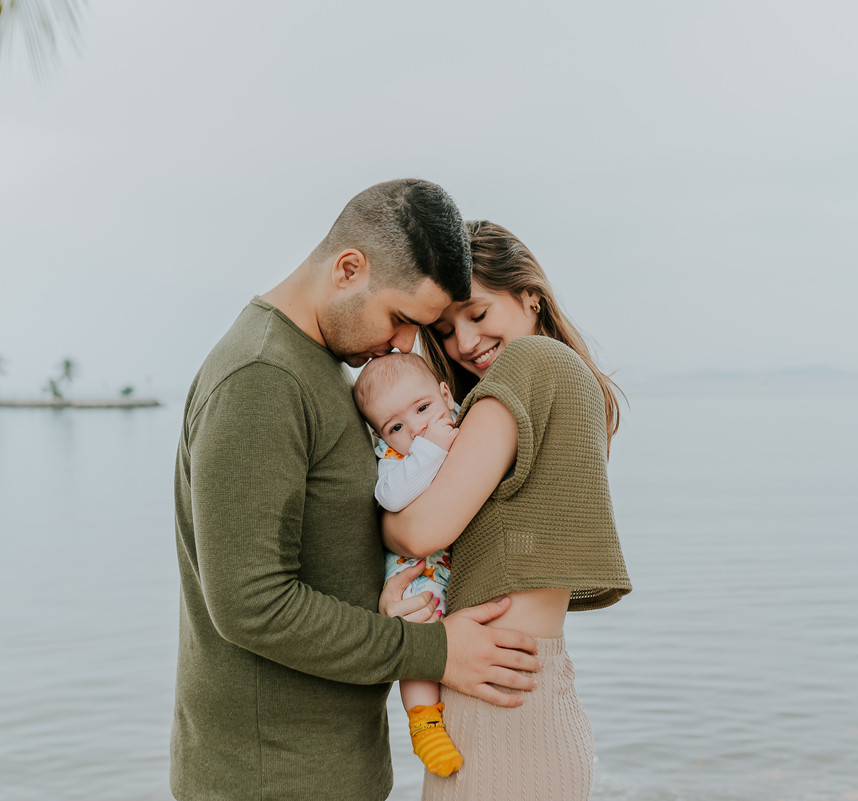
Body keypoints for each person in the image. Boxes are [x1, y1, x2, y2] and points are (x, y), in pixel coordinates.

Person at [170, 181, 543, 801]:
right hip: (271, 779)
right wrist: (431, 650)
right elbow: (249, 604)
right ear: (348, 268)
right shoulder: (261, 377)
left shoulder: (323, 369)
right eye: (400, 318)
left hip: (335, 767)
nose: (402, 344)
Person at [382, 220, 633, 800]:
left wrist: (390, 526)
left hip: (502, 704)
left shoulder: (532, 364)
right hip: (514, 690)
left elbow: (422, 532)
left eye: (477, 313)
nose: (464, 343)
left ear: (530, 296)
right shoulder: (563, 383)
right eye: (444, 331)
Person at [353, 352, 464, 777]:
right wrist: (432, 448)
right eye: (396, 426)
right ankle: (425, 724)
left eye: (422, 409)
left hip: (464, 570)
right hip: (419, 573)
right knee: (417, 642)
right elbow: (393, 498)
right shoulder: (395, 461)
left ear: (444, 394)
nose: (415, 427)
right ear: (382, 436)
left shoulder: (466, 425)